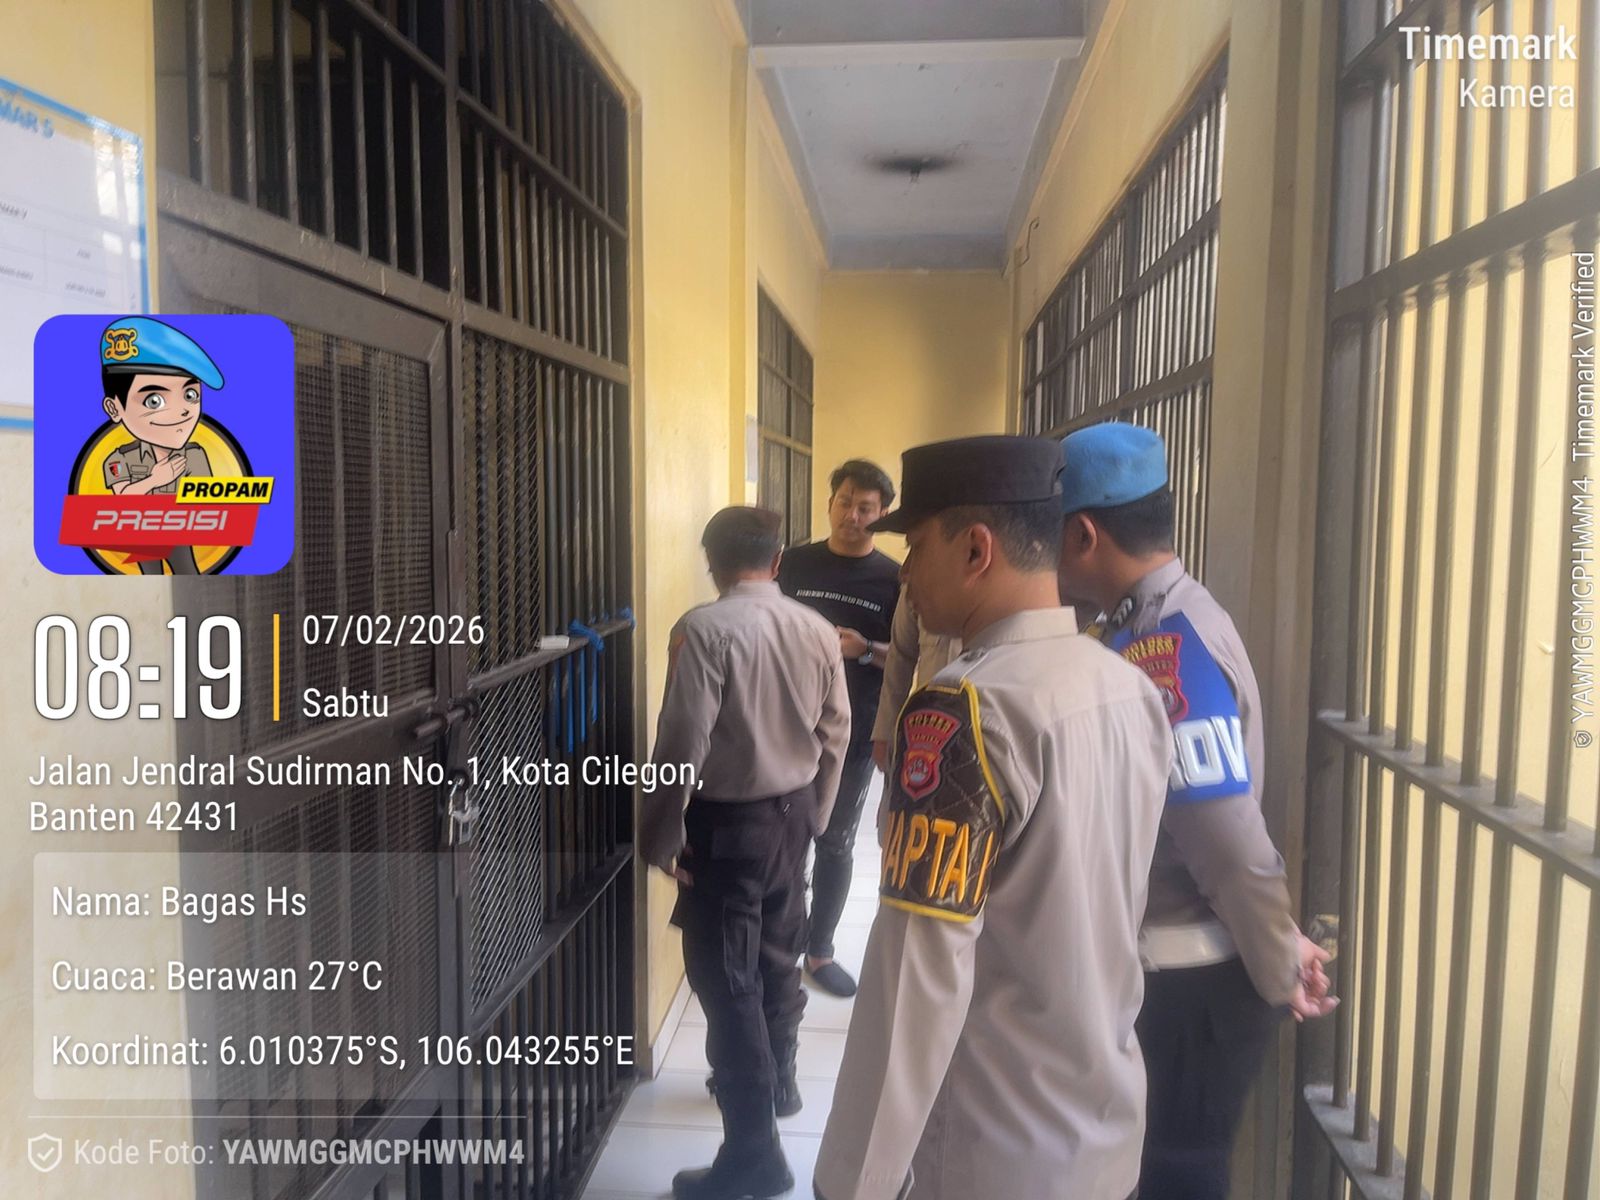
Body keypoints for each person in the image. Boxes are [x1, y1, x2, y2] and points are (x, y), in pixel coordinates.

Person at [813, 436, 1173, 1200]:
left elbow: (916, 980)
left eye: (916, 546)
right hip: (1101, 1130)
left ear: (976, 549)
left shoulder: (963, 712)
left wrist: (854, 1182)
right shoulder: (1126, 686)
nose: (905, 573)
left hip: (986, 1146)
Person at [1056, 423, 1337, 1200]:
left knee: (1173, 1176)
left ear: (1083, 534)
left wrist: (1278, 960)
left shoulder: (1165, 645)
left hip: (1190, 985)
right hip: (1178, 973)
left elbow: (1225, 839)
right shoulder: (1142, 622)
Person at [638, 505, 850, 1200]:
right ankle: (781, 1083)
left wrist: (660, 836)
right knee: (777, 956)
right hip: (793, 816)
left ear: (713, 563)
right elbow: (836, 731)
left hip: (728, 828)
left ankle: (754, 1155)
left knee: (727, 984)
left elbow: (682, 741)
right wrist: (817, 815)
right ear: (778, 560)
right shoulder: (817, 628)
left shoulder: (703, 629)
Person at [776, 459, 901, 997]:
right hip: (783, 721)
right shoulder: (792, 564)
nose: (852, 515)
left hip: (852, 730)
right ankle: (778, 942)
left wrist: (865, 649)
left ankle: (820, 950)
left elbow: (912, 653)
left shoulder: (895, 579)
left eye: (865, 507)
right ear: (829, 503)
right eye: (845, 502)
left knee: (834, 840)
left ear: (882, 514)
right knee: (780, 835)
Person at [96, 316, 222, 574]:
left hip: (179, 536)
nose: (182, 411)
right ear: (114, 408)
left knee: (189, 575)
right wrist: (155, 480)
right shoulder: (119, 459)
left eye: (190, 395)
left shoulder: (195, 454)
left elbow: (208, 503)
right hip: (141, 536)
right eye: (154, 401)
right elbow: (121, 502)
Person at [869, 584, 961, 775]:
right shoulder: (924, 579)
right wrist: (885, 732)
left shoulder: (1017, 588)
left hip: (988, 743)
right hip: (923, 738)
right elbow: (900, 656)